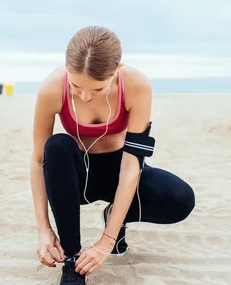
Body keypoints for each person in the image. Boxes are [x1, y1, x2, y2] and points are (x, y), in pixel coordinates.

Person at [30, 26, 195, 284]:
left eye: (97, 89)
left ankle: (116, 220)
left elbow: (132, 165)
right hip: (76, 179)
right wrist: (43, 229)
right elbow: (39, 160)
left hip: (120, 171)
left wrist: (107, 239)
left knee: (181, 198)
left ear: (117, 70)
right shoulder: (52, 87)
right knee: (57, 146)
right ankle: (72, 261)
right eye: (76, 86)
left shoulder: (136, 85)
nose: (84, 96)